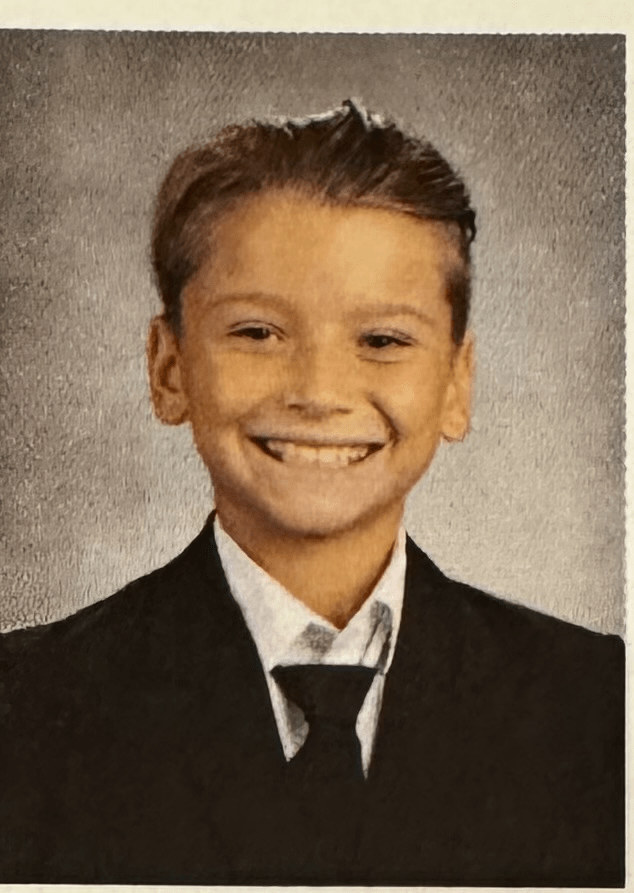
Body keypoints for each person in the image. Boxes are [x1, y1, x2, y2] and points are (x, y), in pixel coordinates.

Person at [0, 100, 624, 886]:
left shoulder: (599, 704)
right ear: (168, 368)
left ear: (457, 384)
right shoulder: (26, 706)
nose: (320, 392)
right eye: (257, 332)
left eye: (383, 340)